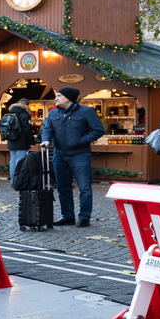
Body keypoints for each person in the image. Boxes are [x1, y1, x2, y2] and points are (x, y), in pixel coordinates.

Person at [40, 87, 104, 227]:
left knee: (85, 188)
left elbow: (99, 130)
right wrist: (46, 140)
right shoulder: (53, 113)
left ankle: (84, 217)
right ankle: (67, 216)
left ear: (68, 98)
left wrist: (82, 141)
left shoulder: (86, 111)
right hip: (59, 155)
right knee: (63, 188)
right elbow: (48, 129)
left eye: (59, 96)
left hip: (80, 155)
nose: (56, 98)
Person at [5, 98, 35, 181]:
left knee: (13, 161)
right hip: (21, 141)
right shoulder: (24, 115)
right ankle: (19, 181)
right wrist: (32, 142)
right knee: (20, 160)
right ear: (26, 106)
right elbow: (27, 130)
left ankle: (13, 181)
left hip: (11, 140)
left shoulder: (10, 113)